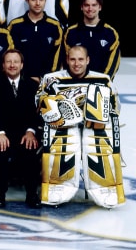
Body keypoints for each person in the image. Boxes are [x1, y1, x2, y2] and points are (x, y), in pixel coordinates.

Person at [36, 45, 124, 209]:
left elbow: (115, 106)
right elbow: (38, 102)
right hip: (63, 127)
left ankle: (106, 187)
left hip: (94, 127)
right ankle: (57, 186)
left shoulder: (103, 80)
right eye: (73, 59)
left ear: (88, 60)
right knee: (66, 140)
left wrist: (102, 113)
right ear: (67, 60)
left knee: (97, 142)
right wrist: (51, 109)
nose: (77, 64)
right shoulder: (51, 79)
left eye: (81, 59)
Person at [0, 48, 42, 209]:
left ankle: (32, 194)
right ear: (3, 65)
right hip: (2, 133)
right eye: (8, 61)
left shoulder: (32, 85)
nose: (12, 65)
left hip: (24, 134)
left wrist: (31, 131)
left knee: (31, 153)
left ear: (22, 65)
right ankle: (0, 194)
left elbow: (35, 114)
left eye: (16, 61)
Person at [7, 0, 64, 83]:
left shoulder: (55, 26)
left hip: (47, 81)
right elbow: (11, 55)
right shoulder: (15, 26)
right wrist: (24, 77)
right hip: (21, 81)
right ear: (27, 0)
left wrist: (45, 77)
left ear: (45, 0)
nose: (37, 3)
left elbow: (57, 56)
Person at [63, 0, 120, 80]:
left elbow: (113, 63)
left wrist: (103, 80)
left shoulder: (110, 33)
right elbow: (67, 60)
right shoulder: (71, 32)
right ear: (81, 7)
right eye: (87, 5)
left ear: (100, 7)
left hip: (101, 84)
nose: (90, 9)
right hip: (76, 84)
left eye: (94, 5)